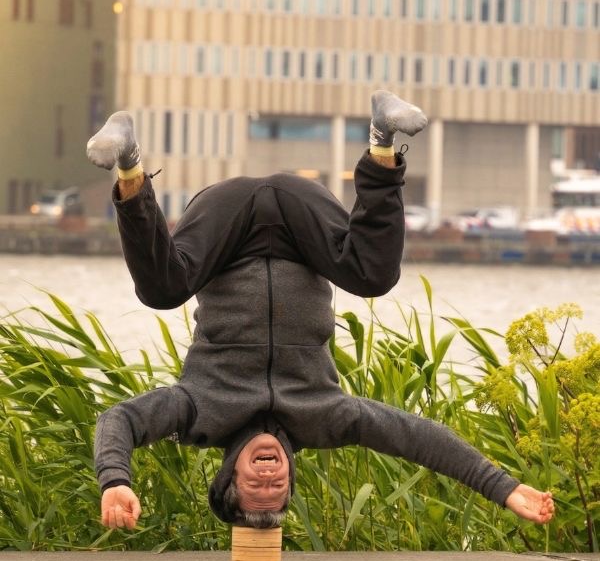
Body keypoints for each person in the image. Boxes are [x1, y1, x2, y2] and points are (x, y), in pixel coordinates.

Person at [89, 91, 555, 532]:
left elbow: (119, 420)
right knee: (374, 277)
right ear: (292, 474)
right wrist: (504, 488)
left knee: (161, 290)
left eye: (257, 486)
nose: (269, 477)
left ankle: (128, 163)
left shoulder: (197, 414)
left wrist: (115, 481)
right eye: (279, 486)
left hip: (224, 224)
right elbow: (416, 437)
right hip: (301, 226)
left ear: (230, 473)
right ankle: (381, 139)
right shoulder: (325, 418)